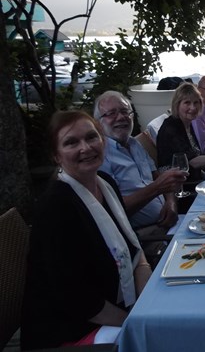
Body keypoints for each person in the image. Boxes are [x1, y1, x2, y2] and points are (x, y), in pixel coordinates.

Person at [21, 111, 151, 349]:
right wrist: (135, 322)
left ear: (102, 140)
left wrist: (147, 306)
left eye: (91, 137)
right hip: (70, 331)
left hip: (116, 309)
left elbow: (135, 252)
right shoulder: (55, 207)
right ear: (56, 156)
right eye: (71, 142)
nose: (86, 147)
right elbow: (75, 298)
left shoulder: (106, 183)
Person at [94, 91, 186, 232]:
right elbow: (114, 210)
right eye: (111, 113)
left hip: (170, 222)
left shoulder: (134, 144)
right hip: (146, 235)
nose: (120, 117)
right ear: (98, 123)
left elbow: (157, 177)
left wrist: (171, 202)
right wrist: (157, 188)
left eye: (125, 111)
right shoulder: (100, 156)